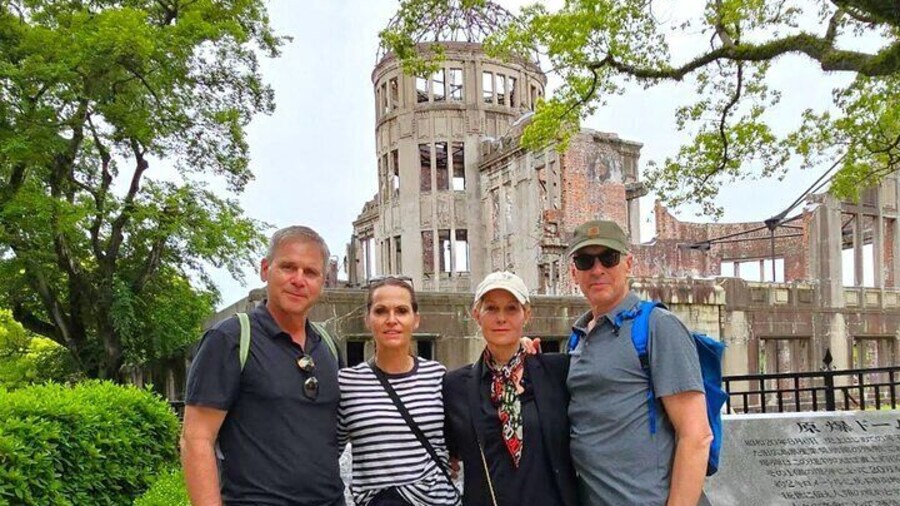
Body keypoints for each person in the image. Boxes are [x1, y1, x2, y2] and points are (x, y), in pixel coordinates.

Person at [181, 226, 345, 505]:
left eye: (310, 272)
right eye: (288, 267)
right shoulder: (231, 339)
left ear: (323, 281)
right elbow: (196, 439)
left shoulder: (327, 345)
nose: (298, 280)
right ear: (265, 269)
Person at [565, 220, 712, 506]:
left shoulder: (658, 326)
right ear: (574, 273)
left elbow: (696, 435)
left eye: (609, 257)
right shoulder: (577, 338)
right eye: (585, 261)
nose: (597, 269)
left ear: (628, 264)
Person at [443, 271, 578, 506]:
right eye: (491, 308)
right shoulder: (455, 386)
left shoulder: (557, 372)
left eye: (511, 309)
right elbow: (446, 450)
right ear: (477, 315)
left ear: (527, 314)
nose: (501, 318)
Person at [337, 276, 460, 506]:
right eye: (381, 311)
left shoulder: (437, 375)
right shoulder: (348, 383)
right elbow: (326, 453)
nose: (391, 320)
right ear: (367, 319)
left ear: (416, 320)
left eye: (402, 311)